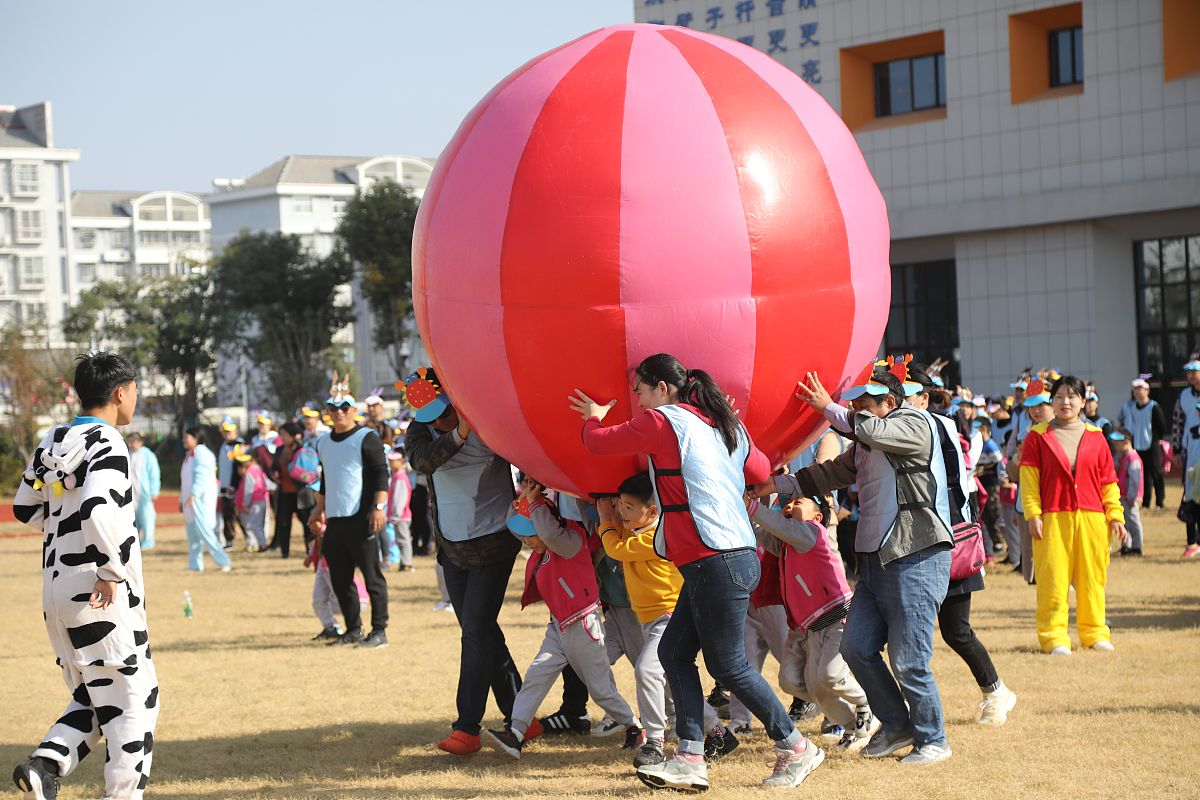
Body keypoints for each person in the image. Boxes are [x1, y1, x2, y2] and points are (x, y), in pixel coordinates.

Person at [571, 353, 822, 791]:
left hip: (716, 559)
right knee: (673, 654)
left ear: (662, 389)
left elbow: (596, 443)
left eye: (641, 391)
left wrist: (593, 418)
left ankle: (796, 746)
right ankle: (689, 756)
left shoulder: (663, 420)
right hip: (725, 557)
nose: (638, 400)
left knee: (728, 665)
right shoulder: (723, 425)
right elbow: (760, 470)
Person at [786, 359, 955, 765]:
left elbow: (863, 427)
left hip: (916, 554)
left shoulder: (915, 422)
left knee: (910, 660)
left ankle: (934, 740)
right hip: (876, 558)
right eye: (856, 400)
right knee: (856, 647)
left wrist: (828, 408)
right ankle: (897, 726)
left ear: (891, 402)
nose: (860, 406)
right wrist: (773, 484)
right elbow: (824, 476)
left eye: (868, 400)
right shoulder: (866, 438)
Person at [11, 352, 160, 800]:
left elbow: (24, 507)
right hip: (98, 589)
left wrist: (66, 531)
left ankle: (44, 767)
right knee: (137, 698)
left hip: (57, 589)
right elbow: (98, 508)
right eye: (135, 390)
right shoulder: (110, 442)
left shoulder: (54, 439)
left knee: (99, 695)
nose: (136, 398)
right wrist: (111, 570)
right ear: (120, 393)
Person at [403, 367, 522, 756]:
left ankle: (467, 726)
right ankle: (521, 714)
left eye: (443, 411)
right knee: (482, 631)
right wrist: (457, 435)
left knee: (475, 631)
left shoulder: (488, 421)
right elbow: (422, 462)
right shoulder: (421, 431)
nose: (439, 420)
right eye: (431, 416)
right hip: (453, 549)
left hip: (494, 544)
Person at [485, 479, 643, 759]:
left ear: (545, 527)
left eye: (530, 536)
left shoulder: (569, 540)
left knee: (600, 690)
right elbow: (515, 521)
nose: (527, 543)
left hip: (583, 624)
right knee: (536, 676)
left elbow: (548, 532)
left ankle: (633, 725)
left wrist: (535, 506)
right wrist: (527, 494)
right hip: (558, 626)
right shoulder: (546, 540)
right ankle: (516, 733)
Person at [747, 494, 879, 751]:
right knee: (792, 681)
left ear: (817, 516)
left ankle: (868, 702)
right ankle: (855, 724)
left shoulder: (812, 532)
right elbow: (761, 531)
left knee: (829, 676)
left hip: (834, 617)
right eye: (786, 504)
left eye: (798, 503)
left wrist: (752, 505)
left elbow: (779, 527)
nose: (789, 506)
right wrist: (748, 502)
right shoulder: (785, 544)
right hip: (806, 627)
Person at [1021, 375, 1128, 655]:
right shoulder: (1038, 436)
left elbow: (1109, 481)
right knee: (1053, 579)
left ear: (1083, 401)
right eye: (1059, 397)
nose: (1065, 402)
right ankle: (1054, 636)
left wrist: (1115, 516)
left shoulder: (1097, 437)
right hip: (1053, 517)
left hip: (1092, 518)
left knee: (1092, 579)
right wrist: (1033, 513)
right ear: (1051, 402)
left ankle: (1094, 633)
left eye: (1072, 396)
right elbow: (1029, 480)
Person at [598, 473, 684, 767]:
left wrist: (605, 520)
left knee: (647, 671)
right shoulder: (638, 530)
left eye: (629, 508)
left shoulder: (656, 535)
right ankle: (715, 730)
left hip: (668, 617)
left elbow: (615, 548)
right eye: (620, 505)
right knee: (674, 679)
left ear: (653, 511)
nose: (622, 512)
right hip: (653, 619)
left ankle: (654, 741)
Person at [307, 374, 390, 649]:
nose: (338, 413)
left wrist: (378, 507)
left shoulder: (367, 437)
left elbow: (381, 473)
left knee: (372, 575)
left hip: (362, 516)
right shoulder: (323, 442)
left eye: (344, 407)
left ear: (354, 410)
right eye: (332, 407)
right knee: (340, 578)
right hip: (335, 518)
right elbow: (326, 478)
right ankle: (353, 628)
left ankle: (379, 630)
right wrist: (318, 510)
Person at [181, 427, 233, 572]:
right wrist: (182, 499)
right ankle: (195, 564)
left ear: (196, 438)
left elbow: (201, 477)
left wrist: (194, 494)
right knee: (193, 535)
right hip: (190, 500)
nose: (184, 440)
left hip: (199, 500)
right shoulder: (190, 455)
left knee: (206, 533)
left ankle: (223, 561)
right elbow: (185, 480)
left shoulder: (203, 455)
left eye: (187, 437)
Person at [1118, 375, 1167, 510]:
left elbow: (1161, 426)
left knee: (1156, 473)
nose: (1137, 391)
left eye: (1140, 388)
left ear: (1147, 390)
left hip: (1152, 444)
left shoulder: (1153, 407)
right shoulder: (1132, 407)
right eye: (1135, 389)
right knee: (1143, 475)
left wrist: (1155, 439)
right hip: (1138, 445)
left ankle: (1159, 502)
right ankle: (1146, 502)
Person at [1172, 356, 1200, 557]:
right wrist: (1175, 450)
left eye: (1194, 371)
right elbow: (1177, 423)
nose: (1191, 375)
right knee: (1190, 495)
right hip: (1191, 450)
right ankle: (1192, 541)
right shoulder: (1184, 396)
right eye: (1188, 372)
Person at [269, 421, 309, 558]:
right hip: (285, 492)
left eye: (284, 435)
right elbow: (274, 466)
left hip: (301, 493)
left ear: (293, 436)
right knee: (284, 523)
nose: (282, 437)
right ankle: (284, 552)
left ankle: (310, 550)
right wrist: (274, 473)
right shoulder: (279, 450)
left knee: (307, 523)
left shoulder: (302, 450)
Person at [1110, 429, 1144, 557]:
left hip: (1130, 498)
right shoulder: (1123, 457)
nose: (1115, 445)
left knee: (1133, 522)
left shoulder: (1133, 458)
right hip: (1122, 496)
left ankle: (1137, 547)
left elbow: (1134, 480)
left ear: (1126, 442)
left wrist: (1131, 496)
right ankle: (1126, 545)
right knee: (1125, 522)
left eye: (1117, 442)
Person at [127, 432, 160, 550]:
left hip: (144, 493)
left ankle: (148, 542)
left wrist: (154, 490)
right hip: (131, 493)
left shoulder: (148, 455)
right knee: (132, 519)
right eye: (129, 441)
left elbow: (154, 473)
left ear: (140, 442)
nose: (131, 444)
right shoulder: (127, 454)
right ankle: (136, 542)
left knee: (147, 518)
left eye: (134, 441)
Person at [233, 447, 270, 552]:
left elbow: (249, 490)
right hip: (263, 500)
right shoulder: (259, 469)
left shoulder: (250, 472)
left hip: (255, 502)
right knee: (258, 524)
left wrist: (245, 504)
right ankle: (258, 544)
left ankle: (262, 545)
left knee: (253, 525)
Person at [216, 417, 244, 549]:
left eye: (230, 431)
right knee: (227, 515)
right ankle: (229, 540)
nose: (227, 434)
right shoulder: (223, 445)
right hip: (224, 486)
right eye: (225, 431)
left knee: (240, 515)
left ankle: (251, 539)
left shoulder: (239, 445)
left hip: (236, 487)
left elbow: (239, 468)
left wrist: (235, 485)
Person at [385, 448, 414, 571]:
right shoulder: (397, 476)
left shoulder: (400, 477)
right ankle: (404, 563)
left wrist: (396, 515)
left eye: (394, 461)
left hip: (401, 516)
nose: (391, 463)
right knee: (401, 539)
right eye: (390, 461)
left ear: (401, 461)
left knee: (403, 540)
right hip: (401, 515)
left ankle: (407, 563)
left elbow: (399, 499)